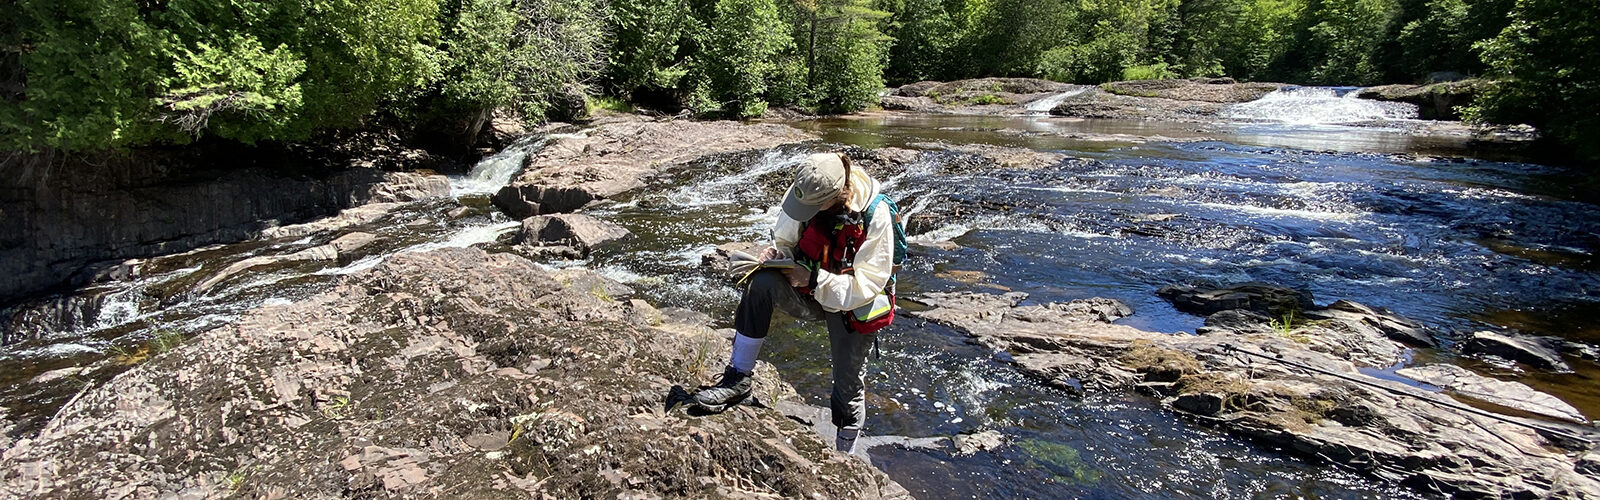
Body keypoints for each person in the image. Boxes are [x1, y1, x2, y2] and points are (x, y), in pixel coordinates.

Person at [694, 152, 897, 454]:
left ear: (836, 196)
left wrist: (814, 280)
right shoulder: (807, 188)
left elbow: (867, 285)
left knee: (847, 388)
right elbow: (787, 240)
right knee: (761, 284)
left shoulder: (875, 215)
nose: (803, 210)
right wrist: (776, 256)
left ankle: (845, 457)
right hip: (809, 286)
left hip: (852, 304)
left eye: (812, 208)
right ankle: (738, 379)